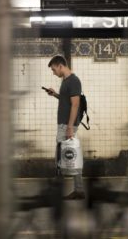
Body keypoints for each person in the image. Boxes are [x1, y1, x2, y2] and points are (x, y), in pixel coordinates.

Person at [44, 55, 85, 200]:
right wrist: (55, 94)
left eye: (54, 69)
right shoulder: (66, 81)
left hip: (66, 126)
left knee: (63, 157)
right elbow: (66, 101)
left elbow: (75, 104)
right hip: (64, 125)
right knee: (69, 155)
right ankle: (78, 189)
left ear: (60, 66)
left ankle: (62, 189)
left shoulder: (73, 81)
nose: (53, 72)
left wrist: (69, 128)